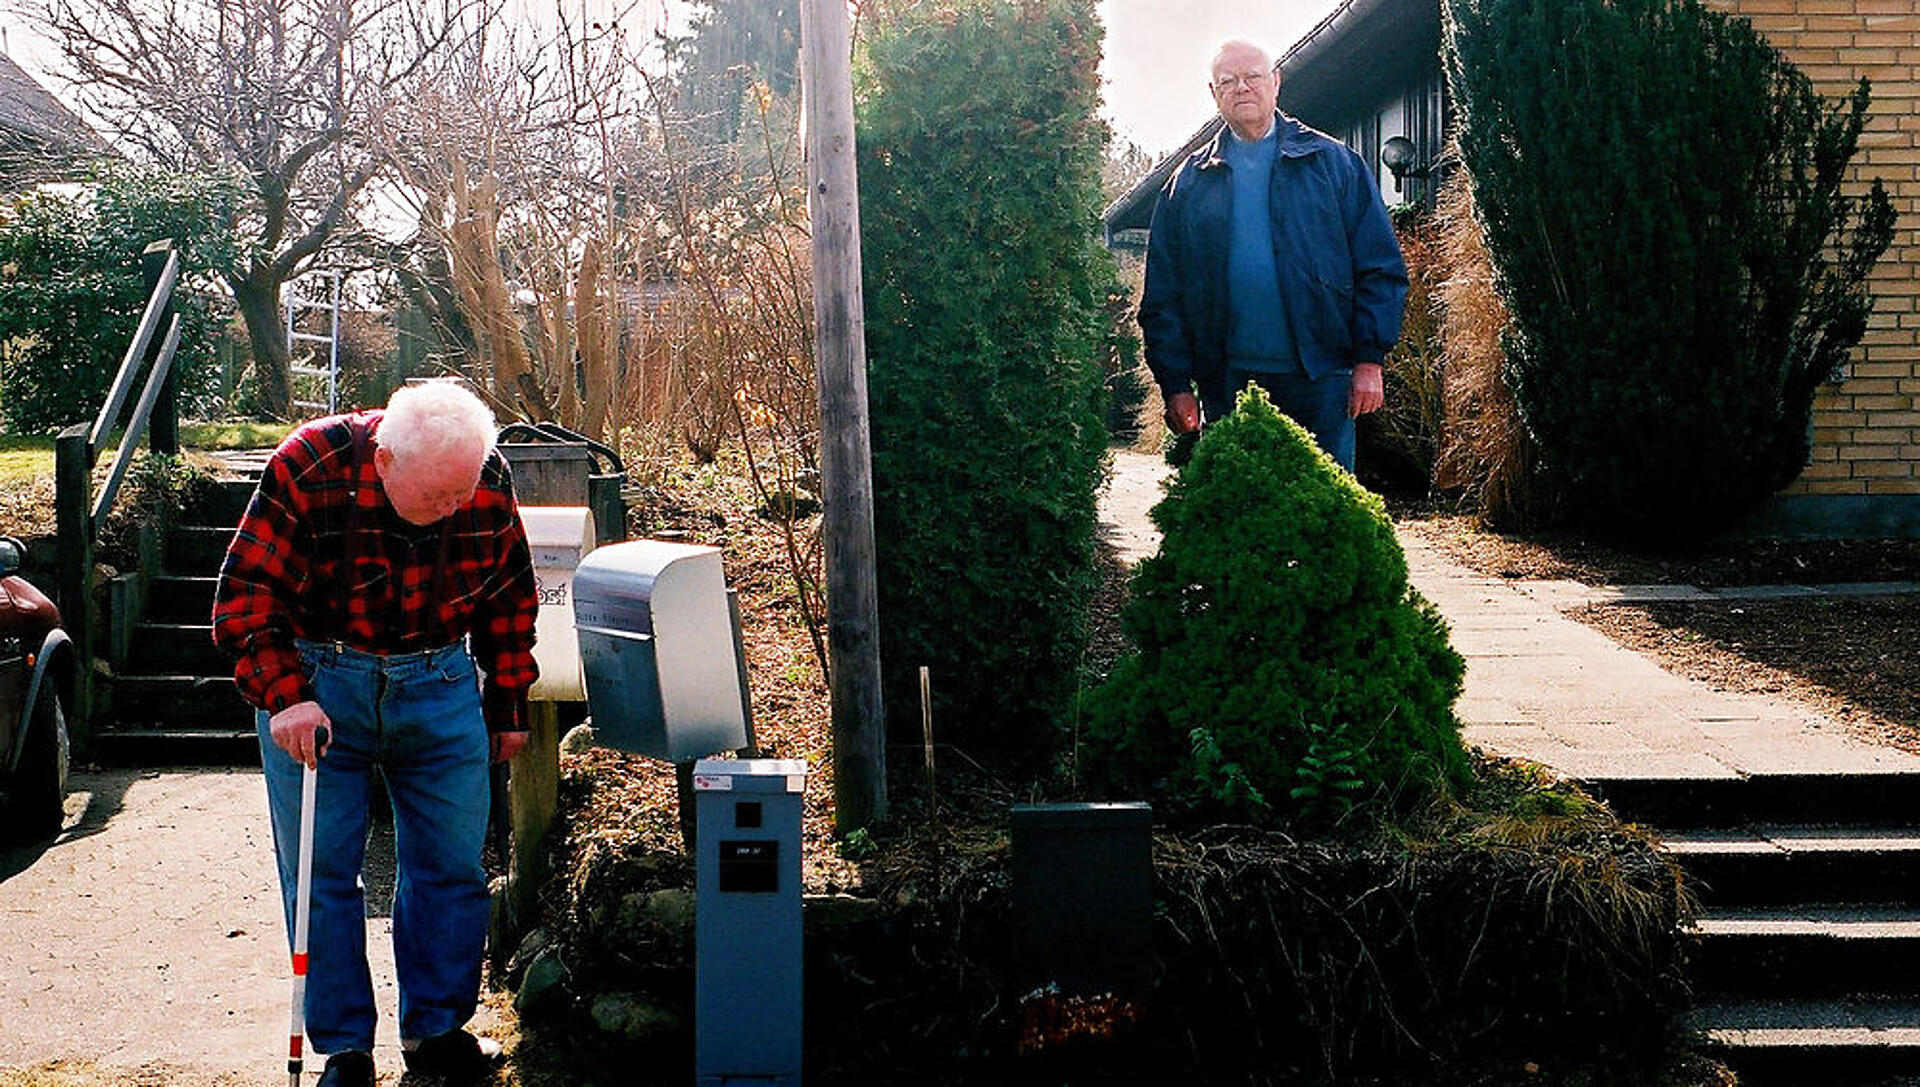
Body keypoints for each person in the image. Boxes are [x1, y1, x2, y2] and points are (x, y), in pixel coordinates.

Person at [213, 381, 537, 1087]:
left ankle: (437, 1030)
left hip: (441, 677)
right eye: (436, 497)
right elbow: (245, 596)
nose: (452, 508)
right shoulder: (309, 463)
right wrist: (285, 697)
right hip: (322, 680)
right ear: (385, 458)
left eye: (462, 493)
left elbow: (511, 589)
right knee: (322, 874)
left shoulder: (481, 474)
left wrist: (509, 698)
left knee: (452, 866)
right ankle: (345, 1049)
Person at [1139, 38, 1410, 473]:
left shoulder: (1334, 164)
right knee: (1241, 520)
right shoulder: (1187, 183)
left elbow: (1380, 270)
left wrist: (1369, 360)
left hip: (1321, 379)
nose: (1242, 88)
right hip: (1227, 384)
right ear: (1213, 93)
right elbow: (1162, 297)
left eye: (1253, 77)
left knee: (1324, 518)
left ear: (1276, 82)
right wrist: (1176, 386)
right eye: (1227, 81)